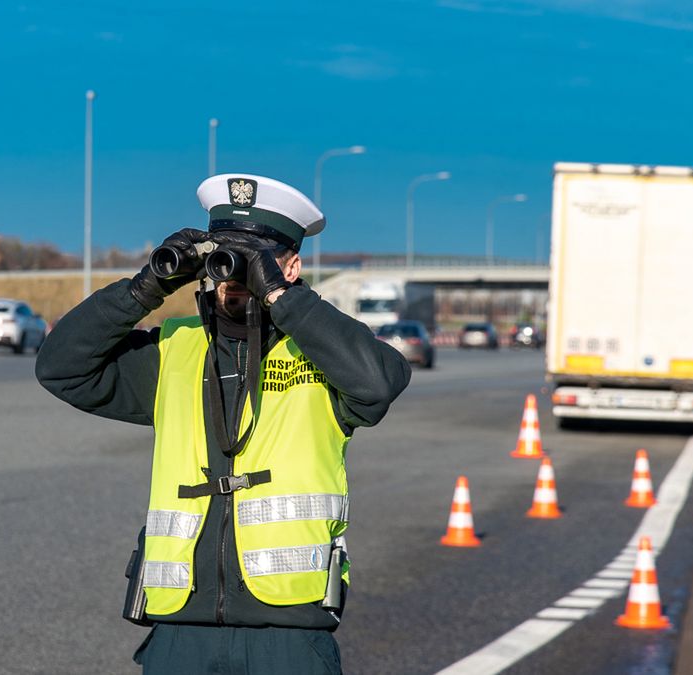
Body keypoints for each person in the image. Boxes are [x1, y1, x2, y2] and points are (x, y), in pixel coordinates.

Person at [35, 174, 411, 675]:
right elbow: (61, 368)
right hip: (179, 630)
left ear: (293, 266)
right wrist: (146, 287)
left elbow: (379, 382)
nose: (234, 277)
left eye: (255, 259)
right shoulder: (174, 350)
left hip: (289, 634)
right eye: (224, 259)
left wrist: (280, 295)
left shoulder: (321, 352)